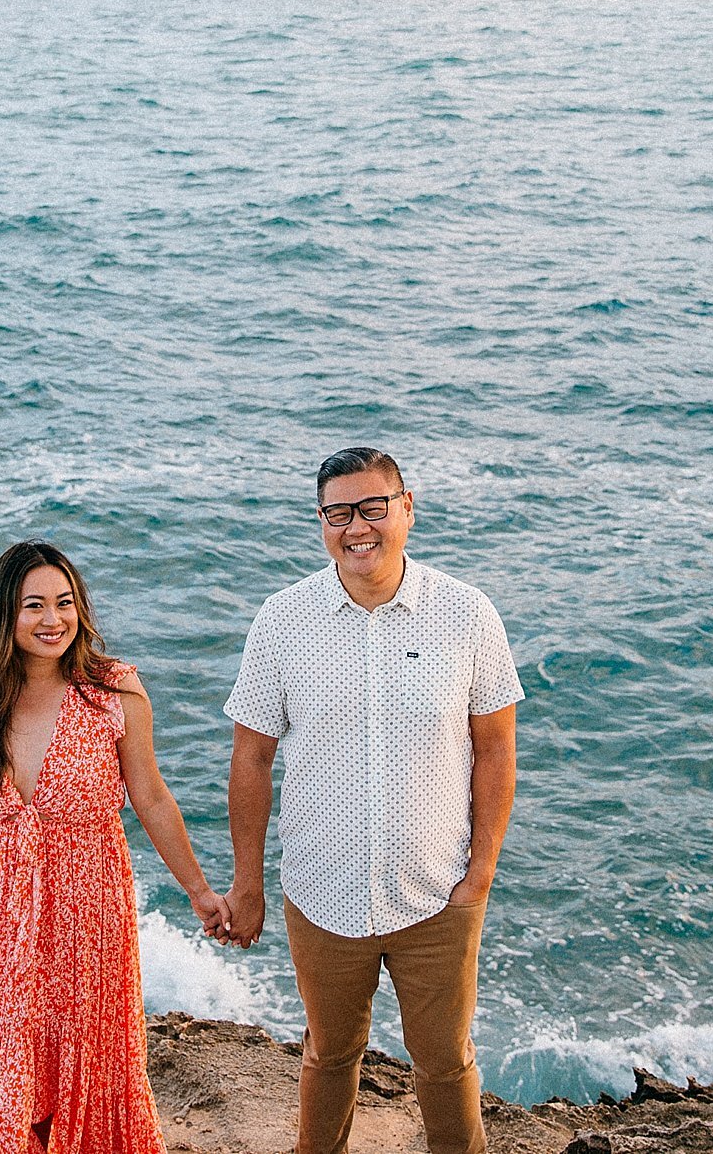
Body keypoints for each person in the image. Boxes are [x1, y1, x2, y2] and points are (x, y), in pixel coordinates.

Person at [220, 447, 523, 1154]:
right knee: (328, 1053)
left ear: (406, 507)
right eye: (338, 512)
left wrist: (480, 874)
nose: (357, 526)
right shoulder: (283, 619)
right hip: (320, 890)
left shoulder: (466, 612)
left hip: (436, 891)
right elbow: (252, 757)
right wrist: (249, 881)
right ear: (321, 522)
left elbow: (497, 750)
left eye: (373, 507)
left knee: (446, 1061)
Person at [0, 540, 229, 1154]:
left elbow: (151, 798)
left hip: (88, 906)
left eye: (64, 603)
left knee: (88, 1045)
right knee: (4, 1040)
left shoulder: (113, 690)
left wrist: (200, 891)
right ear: (2, 615)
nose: (52, 620)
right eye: (32, 605)